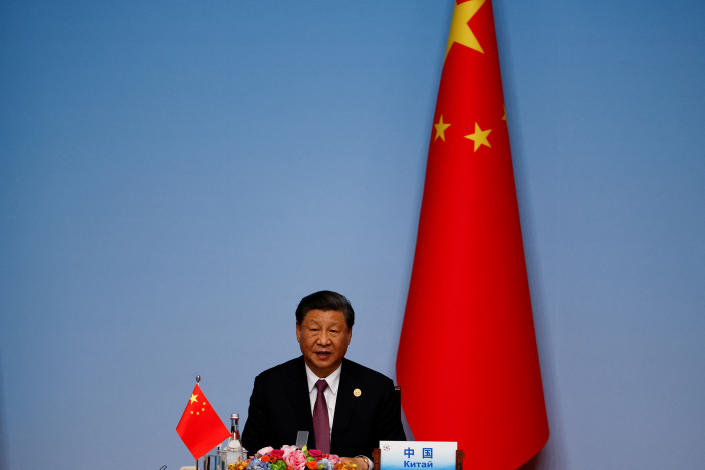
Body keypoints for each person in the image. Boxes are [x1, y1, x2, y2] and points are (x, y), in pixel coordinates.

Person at [242, 290, 406, 470]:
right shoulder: (270, 385)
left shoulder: (377, 388)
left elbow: (396, 458)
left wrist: (365, 462)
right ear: (298, 331)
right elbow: (251, 454)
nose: (323, 340)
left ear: (349, 334)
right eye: (314, 330)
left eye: (334, 331)